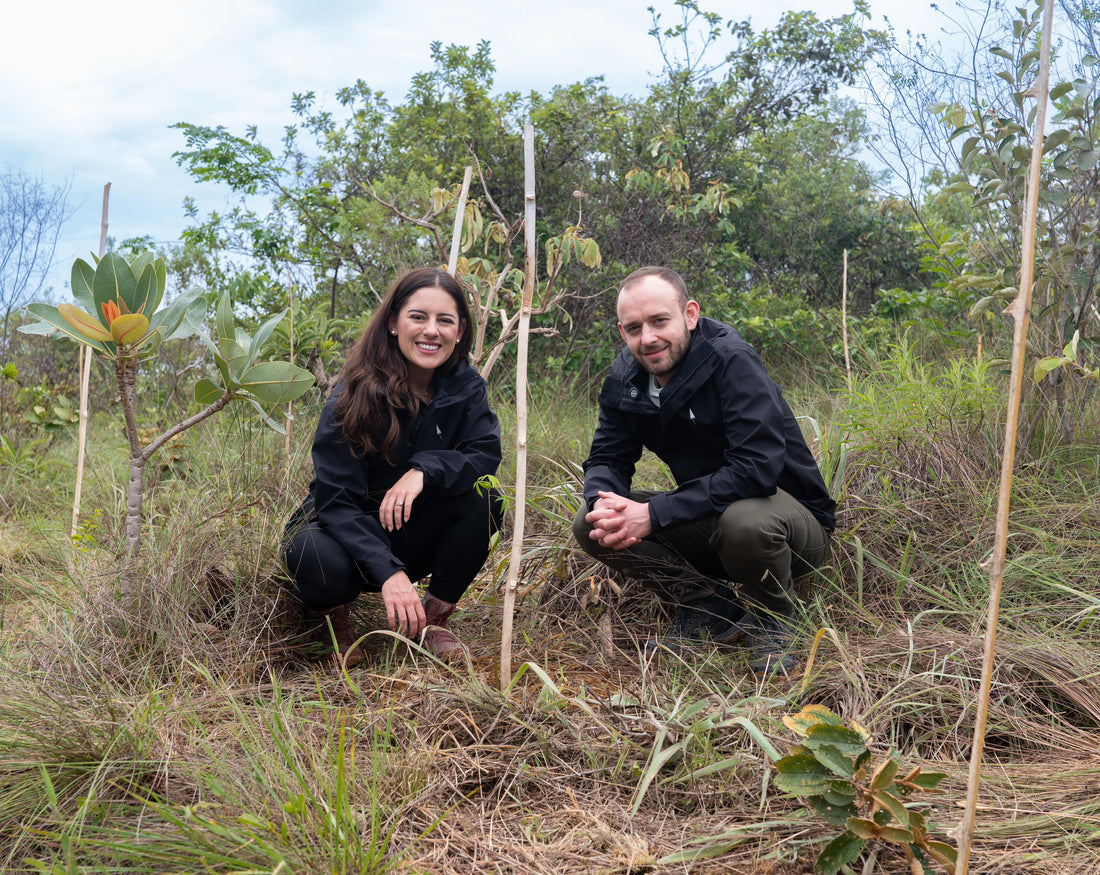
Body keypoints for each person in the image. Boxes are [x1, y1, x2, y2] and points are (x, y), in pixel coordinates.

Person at [572, 266, 836, 674]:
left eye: (660, 321)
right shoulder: (627, 377)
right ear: (622, 331)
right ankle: (708, 606)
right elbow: (608, 457)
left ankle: (775, 617)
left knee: (745, 520)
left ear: (689, 315)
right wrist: (602, 502)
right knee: (592, 525)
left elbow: (755, 470)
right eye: (634, 327)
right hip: (711, 520)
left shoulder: (732, 361)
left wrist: (654, 515)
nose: (648, 338)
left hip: (790, 529)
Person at [283, 267, 503, 666]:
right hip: (346, 534)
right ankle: (333, 620)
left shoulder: (466, 386)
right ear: (392, 322)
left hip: (412, 527)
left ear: (460, 330)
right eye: (418, 317)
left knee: (485, 496)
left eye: (445, 320)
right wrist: (390, 574)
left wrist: (424, 470)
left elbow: (484, 455)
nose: (431, 331)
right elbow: (335, 501)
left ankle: (431, 620)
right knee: (312, 554)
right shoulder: (352, 393)